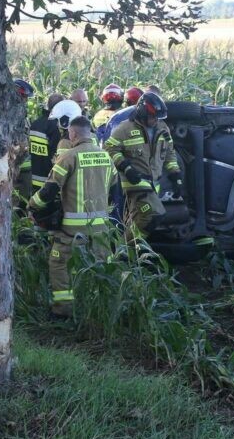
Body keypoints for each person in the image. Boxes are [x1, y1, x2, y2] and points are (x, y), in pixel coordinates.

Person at [28, 116, 116, 317]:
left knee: (59, 265)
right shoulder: (105, 156)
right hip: (101, 230)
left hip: (72, 230)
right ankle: (98, 311)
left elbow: (49, 191)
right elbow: (113, 187)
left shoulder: (68, 157)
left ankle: (63, 311)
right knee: (98, 268)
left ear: (73, 133)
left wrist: (32, 205)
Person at [104, 92, 184, 240]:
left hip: (154, 183)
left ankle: (128, 256)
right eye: (153, 117)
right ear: (142, 112)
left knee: (137, 220)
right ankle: (127, 250)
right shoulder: (125, 128)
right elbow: (109, 148)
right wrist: (126, 167)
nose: (155, 120)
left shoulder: (162, 128)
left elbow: (169, 153)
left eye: (157, 117)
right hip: (135, 182)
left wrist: (175, 175)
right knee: (154, 214)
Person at [28, 93, 65, 197]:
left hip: (34, 177)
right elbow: (56, 155)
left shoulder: (35, 123)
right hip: (48, 181)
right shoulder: (55, 126)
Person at [13, 79, 36, 207]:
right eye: (24, 97)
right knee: (15, 203)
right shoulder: (8, 116)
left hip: (25, 169)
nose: (26, 101)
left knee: (23, 202)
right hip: (15, 168)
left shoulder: (22, 116)